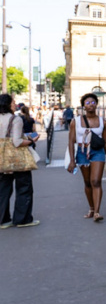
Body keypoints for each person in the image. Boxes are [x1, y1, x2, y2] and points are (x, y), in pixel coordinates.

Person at [67, 93, 106, 222]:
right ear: (83, 107)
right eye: (87, 103)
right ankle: (91, 208)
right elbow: (71, 141)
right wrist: (72, 160)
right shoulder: (75, 122)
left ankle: (97, 212)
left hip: (98, 152)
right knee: (87, 182)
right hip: (82, 152)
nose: (91, 105)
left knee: (96, 181)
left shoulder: (104, 123)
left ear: (96, 104)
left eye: (93, 102)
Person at [0, 93, 39, 228]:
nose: (15, 104)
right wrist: (30, 140)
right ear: (8, 104)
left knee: (3, 190)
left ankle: (3, 220)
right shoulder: (15, 119)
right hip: (17, 159)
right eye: (13, 102)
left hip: (2, 159)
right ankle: (22, 219)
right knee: (24, 187)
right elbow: (17, 142)